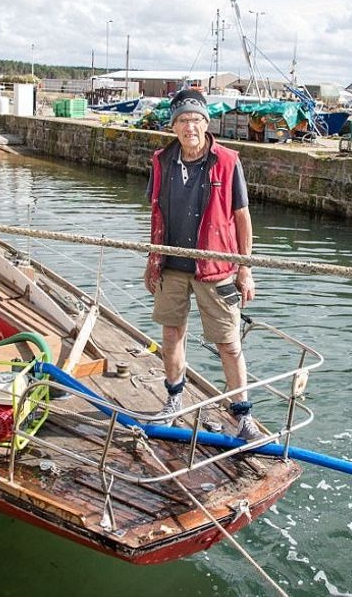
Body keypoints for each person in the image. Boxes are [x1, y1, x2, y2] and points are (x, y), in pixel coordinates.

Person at [144, 89, 261, 440]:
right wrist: (152, 261)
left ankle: (242, 415)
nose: (189, 127)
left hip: (217, 267)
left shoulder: (227, 161)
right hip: (171, 265)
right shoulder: (162, 161)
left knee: (228, 342)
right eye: (182, 120)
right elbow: (156, 214)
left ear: (206, 124)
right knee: (171, 334)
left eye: (195, 120)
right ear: (173, 126)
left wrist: (245, 268)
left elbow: (242, 217)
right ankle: (174, 400)